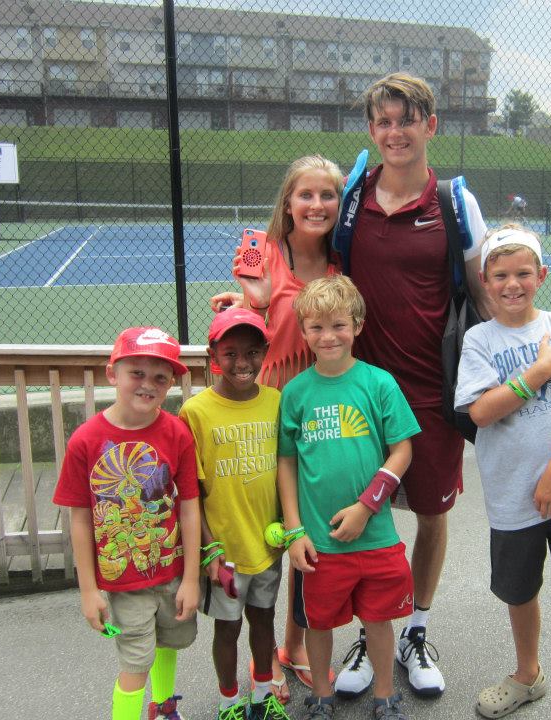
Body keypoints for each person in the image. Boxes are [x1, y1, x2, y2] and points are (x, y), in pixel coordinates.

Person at [333, 72, 551, 699]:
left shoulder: (453, 203)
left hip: (432, 395)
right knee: (364, 515)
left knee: (430, 515)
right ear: (371, 130)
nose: (395, 132)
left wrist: (533, 360)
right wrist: (254, 300)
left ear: (430, 126)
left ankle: (415, 630)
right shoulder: (352, 197)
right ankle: (371, 633)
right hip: (358, 394)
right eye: (384, 122)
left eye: (407, 120)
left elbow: (487, 294)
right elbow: (316, 269)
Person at [454, 226, 551, 720]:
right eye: (500, 275)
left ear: (541, 275)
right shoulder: (479, 340)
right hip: (511, 502)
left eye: (523, 273)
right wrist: (540, 371)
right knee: (520, 595)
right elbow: (481, 412)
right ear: (485, 281)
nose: (512, 284)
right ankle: (528, 676)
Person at [209, 155, 344, 694]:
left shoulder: (341, 261)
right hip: (265, 408)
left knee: (305, 533)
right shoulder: (258, 246)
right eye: (305, 194)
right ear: (287, 201)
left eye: (328, 195)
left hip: (317, 410)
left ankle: (294, 646)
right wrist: (249, 301)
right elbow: (249, 316)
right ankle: (262, 660)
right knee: (263, 535)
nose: (316, 205)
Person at [277, 276, 421, 720]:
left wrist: (365, 507)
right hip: (319, 543)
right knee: (318, 622)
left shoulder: (379, 383)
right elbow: (286, 464)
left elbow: (402, 451)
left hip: (375, 536)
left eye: (338, 325)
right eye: (316, 327)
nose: (328, 336)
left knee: (378, 620)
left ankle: (385, 696)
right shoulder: (295, 392)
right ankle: (321, 696)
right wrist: (294, 530)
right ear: (303, 332)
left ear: (357, 326)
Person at [53, 326, 200, 720]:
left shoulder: (177, 434)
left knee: (169, 642)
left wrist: (190, 578)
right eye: (137, 373)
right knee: (136, 661)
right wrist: (89, 590)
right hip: (125, 583)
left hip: (171, 571)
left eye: (160, 377)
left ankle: (164, 706)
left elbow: (188, 506)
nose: (148, 384)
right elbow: (80, 519)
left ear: (171, 383)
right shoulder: (86, 440)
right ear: (112, 374)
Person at [178, 308, 291, 720]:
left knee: (264, 621)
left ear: (265, 352)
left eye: (251, 352)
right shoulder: (195, 412)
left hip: (266, 545)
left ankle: (262, 696)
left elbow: (288, 469)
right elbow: (191, 491)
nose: (242, 363)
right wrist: (209, 548)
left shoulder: (277, 402)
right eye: (230, 353)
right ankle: (229, 702)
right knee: (227, 628)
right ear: (213, 355)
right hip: (224, 552)